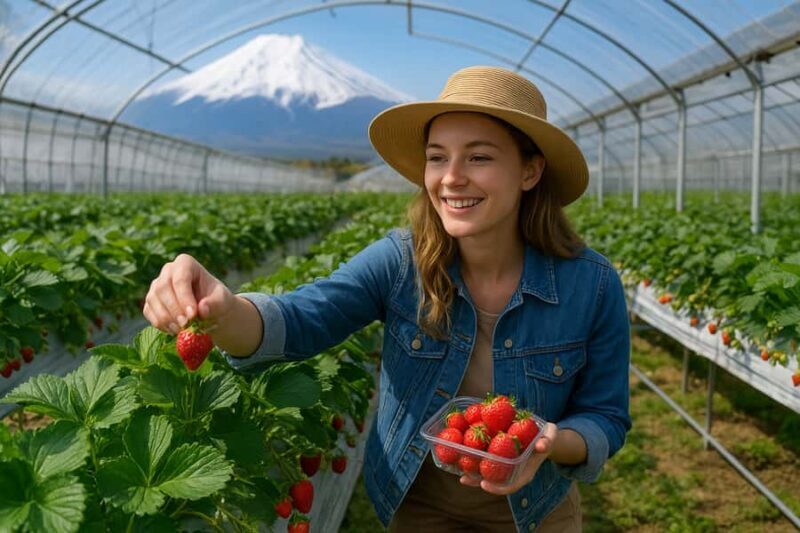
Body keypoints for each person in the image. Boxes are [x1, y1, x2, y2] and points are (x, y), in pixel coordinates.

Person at [143, 65, 631, 532]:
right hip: (421, 504)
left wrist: (546, 443)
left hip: (536, 510)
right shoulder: (401, 262)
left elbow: (605, 417)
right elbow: (301, 319)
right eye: (437, 157)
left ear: (530, 171)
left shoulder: (592, 285)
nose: (451, 177)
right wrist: (223, 310)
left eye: (479, 157)